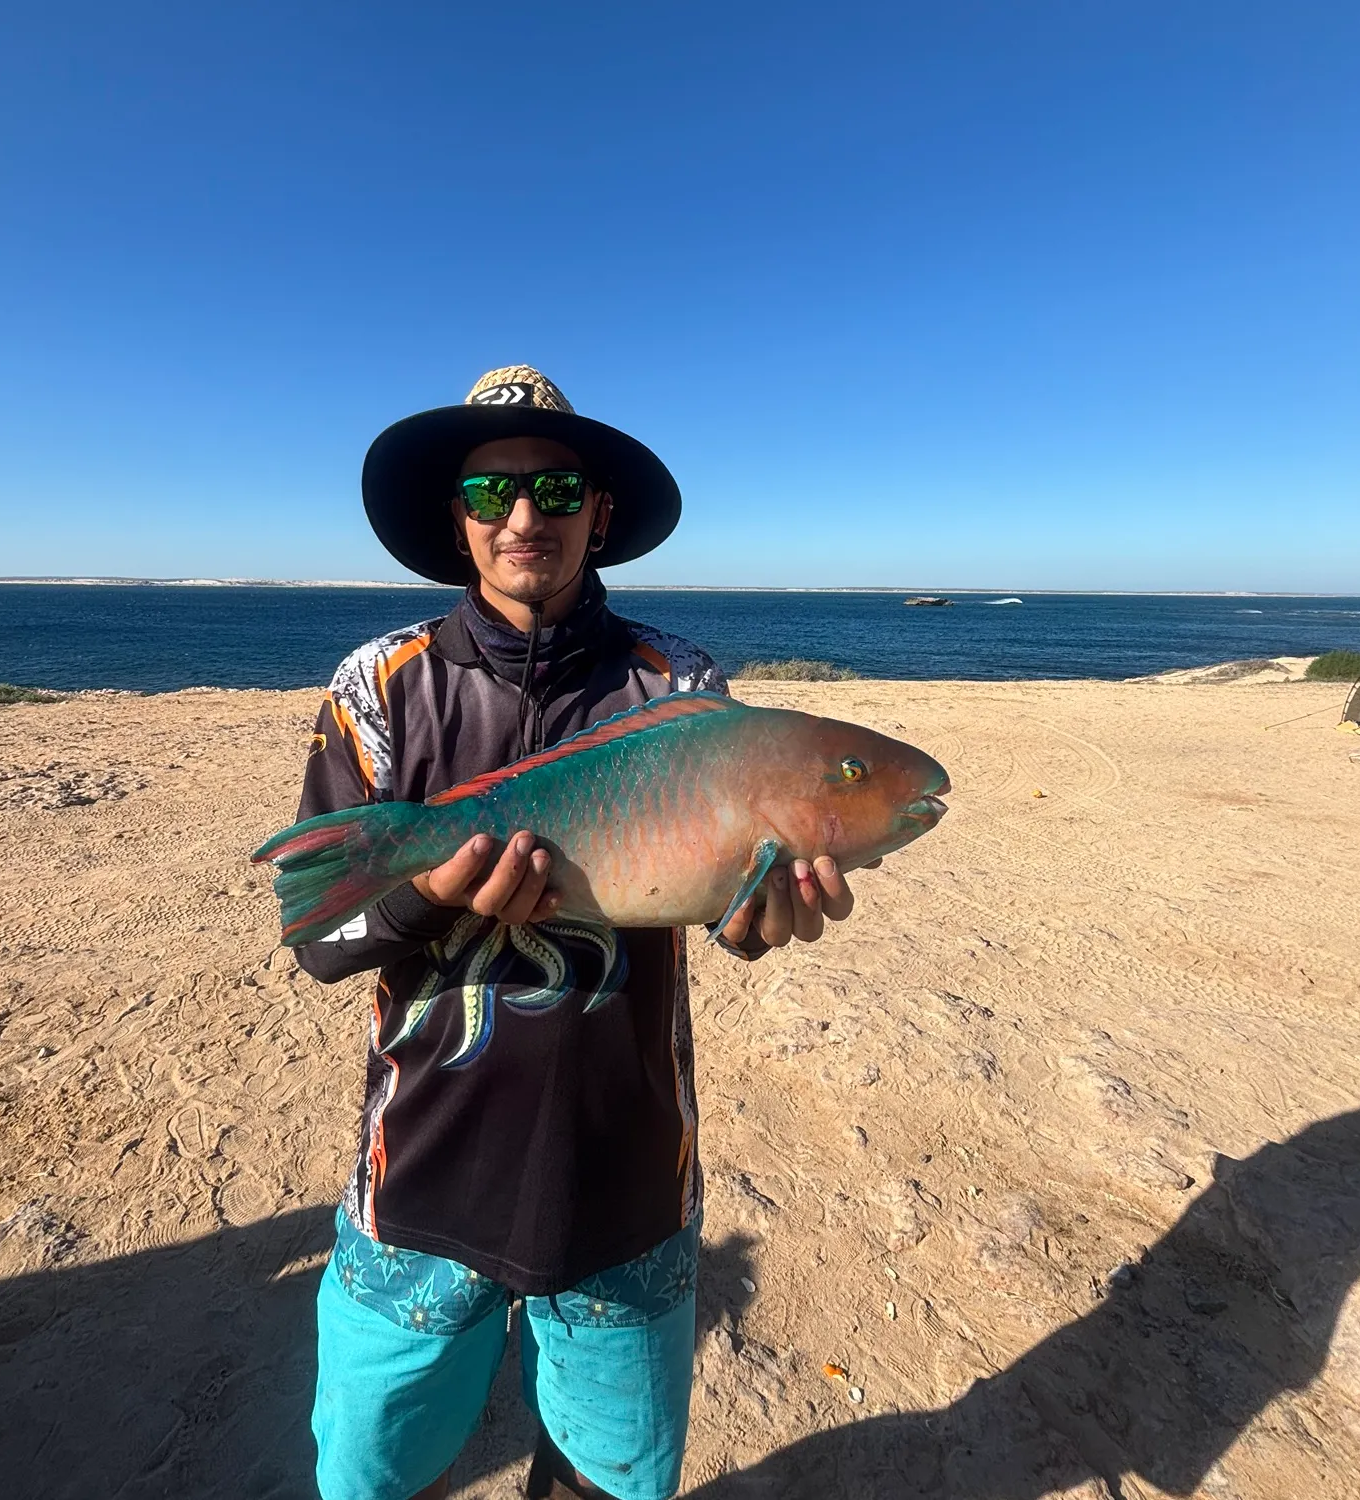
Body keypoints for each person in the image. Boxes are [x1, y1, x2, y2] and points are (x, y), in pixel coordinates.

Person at [293, 366, 862, 1500]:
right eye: (490, 490)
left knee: (611, 1480)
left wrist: (761, 919)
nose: (523, 518)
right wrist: (434, 892)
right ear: (453, 514)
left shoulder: (678, 686)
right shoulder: (378, 688)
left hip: (625, 1181)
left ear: (598, 514)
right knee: (368, 1476)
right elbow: (321, 936)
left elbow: (718, 907)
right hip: (417, 1181)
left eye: (556, 488)